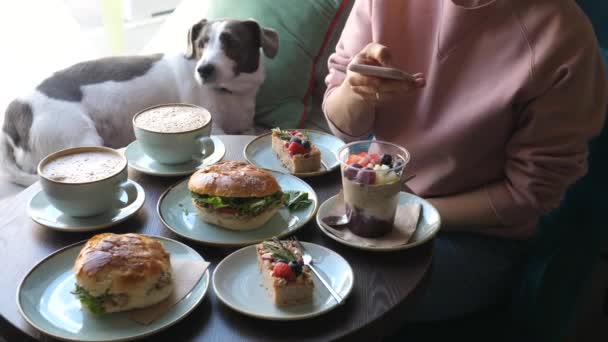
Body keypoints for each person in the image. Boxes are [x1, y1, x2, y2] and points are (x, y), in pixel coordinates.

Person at [323, 0, 608, 321]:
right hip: (378, 199)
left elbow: (529, 194)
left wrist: (404, 212)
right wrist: (355, 90)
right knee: (296, 268)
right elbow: (343, 124)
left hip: (473, 236)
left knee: (345, 297)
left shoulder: (562, 35)